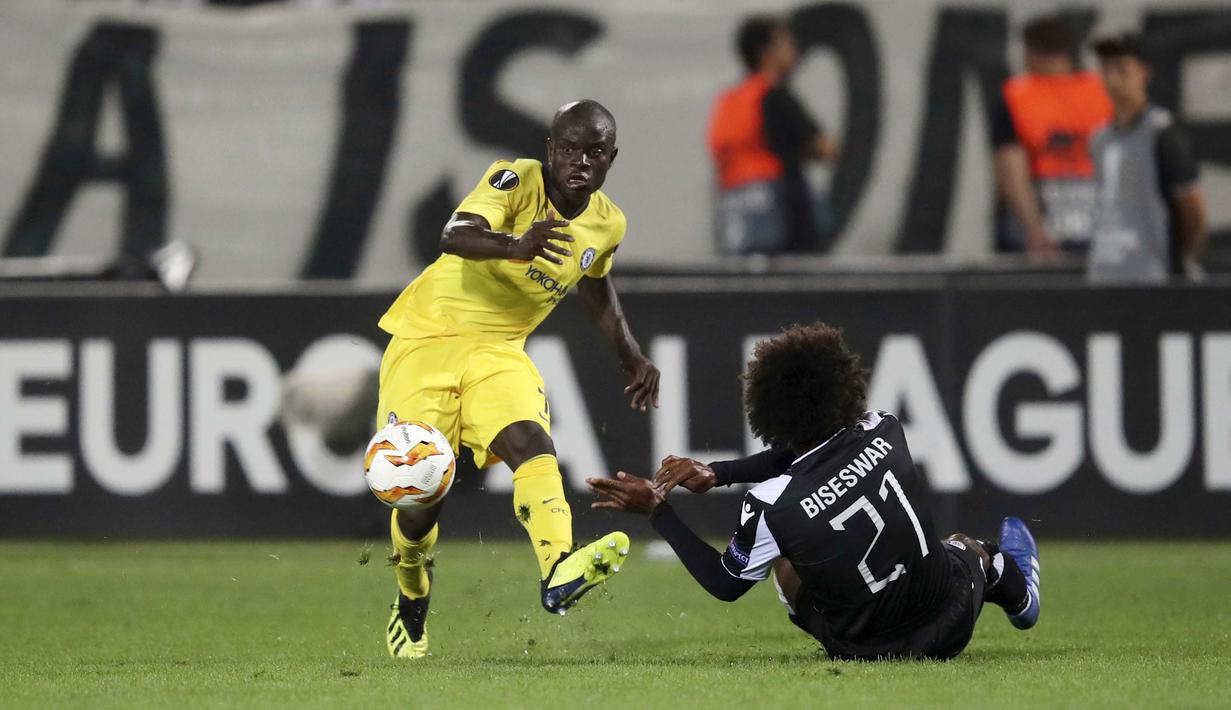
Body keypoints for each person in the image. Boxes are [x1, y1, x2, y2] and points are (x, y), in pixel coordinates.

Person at [376, 99, 660, 658]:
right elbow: (454, 234)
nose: (581, 160)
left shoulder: (608, 223)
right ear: (550, 149)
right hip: (426, 340)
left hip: (499, 352)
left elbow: (594, 284)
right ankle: (412, 592)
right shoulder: (516, 178)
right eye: (570, 147)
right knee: (420, 497)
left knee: (531, 441)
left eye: (595, 151)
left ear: (612, 159)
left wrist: (629, 353)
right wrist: (516, 244)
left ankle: (557, 567)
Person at [588, 323, 1041, 661]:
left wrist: (659, 511)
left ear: (767, 413)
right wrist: (718, 473)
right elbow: (813, 451)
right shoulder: (884, 428)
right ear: (843, 385)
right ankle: (1013, 587)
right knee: (967, 547)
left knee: (786, 564)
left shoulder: (768, 504)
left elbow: (727, 585)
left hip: (861, 649)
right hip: (949, 625)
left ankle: (995, 576)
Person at [707, 16, 839, 255]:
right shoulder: (775, 96)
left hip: (739, 214)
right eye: (786, 43)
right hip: (784, 214)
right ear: (766, 52)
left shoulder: (732, 100)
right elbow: (825, 148)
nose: (794, 50)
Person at [1088, 34, 1207, 283]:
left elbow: (1192, 208)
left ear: (1144, 72)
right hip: (1106, 273)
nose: (1113, 80)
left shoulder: (1162, 132)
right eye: (1106, 70)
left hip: (1153, 277)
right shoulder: (1099, 139)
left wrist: (1181, 259)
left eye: (1122, 70)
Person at [992, 15, 1113, 255]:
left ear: (1032, 51)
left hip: (1039, 229)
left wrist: (1034, 229)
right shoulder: (1103, 93)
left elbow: (1010, 167)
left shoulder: (1017, 96)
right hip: (1100, 226)